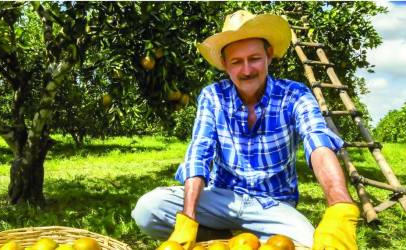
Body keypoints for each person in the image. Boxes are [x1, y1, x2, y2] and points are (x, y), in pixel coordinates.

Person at [132, 10, 360, 250]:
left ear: (269, 55)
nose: (247, 70)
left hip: (273, 206)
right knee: (148, 210)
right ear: (224, 65)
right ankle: (221, 233)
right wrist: (187, 219)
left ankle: (231, 236)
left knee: (311, 244)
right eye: (236, 62)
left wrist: (340, 205)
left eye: (254, 58)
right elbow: (199, 152)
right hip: (222, 198)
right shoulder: (213, 96)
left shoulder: (294, 94)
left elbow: (318, 142)